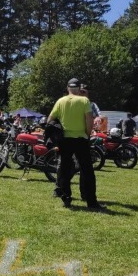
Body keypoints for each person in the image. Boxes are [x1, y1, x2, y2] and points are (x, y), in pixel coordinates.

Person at [48, 78, 102, 210]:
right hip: (80, 138)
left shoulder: (60, 101)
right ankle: (91, 202)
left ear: (68, 88)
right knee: (87, 170)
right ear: (78, 89)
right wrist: (87, 134)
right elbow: (89, 120)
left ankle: (66, 198)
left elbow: (50, 119)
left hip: (65, 139)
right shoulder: (84, 100)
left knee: (65, 169)